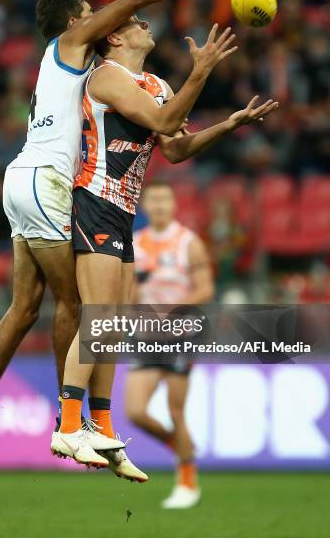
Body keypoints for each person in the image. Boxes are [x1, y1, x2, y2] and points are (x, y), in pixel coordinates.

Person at [0, 0, 235, 476]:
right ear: (76, 22)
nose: (101, 20)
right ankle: (73, 421)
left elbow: (171, 137)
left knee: (27, 305)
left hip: (24, 179)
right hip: (50, 181)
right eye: (91, 15)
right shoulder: (76, 45)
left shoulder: (81, 70)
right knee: (84, 307)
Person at [55, 14, 279, 480]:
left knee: (112, 327)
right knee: (99, 318)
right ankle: (68, 425)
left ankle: (103, 428)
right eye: (135, 21)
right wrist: (201, 71)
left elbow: (174, 147)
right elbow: (162, 120)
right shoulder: (107, 76)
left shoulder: (155, 83)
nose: (144, 23)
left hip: (122, 212)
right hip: (95, 198)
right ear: (115, 37)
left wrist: (229, 124)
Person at [125, 180, 214, 508]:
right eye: (154, 200)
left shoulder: (189, 243)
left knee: (176, 410)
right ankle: (182, 450)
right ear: (145, 205)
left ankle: (187, 482)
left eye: (166, 199)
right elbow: (129, 296)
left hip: (180, 335)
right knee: (135, 411)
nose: (160, 205)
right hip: (146, 336)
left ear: (174, 204)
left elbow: (204, 289)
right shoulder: (134, 244)